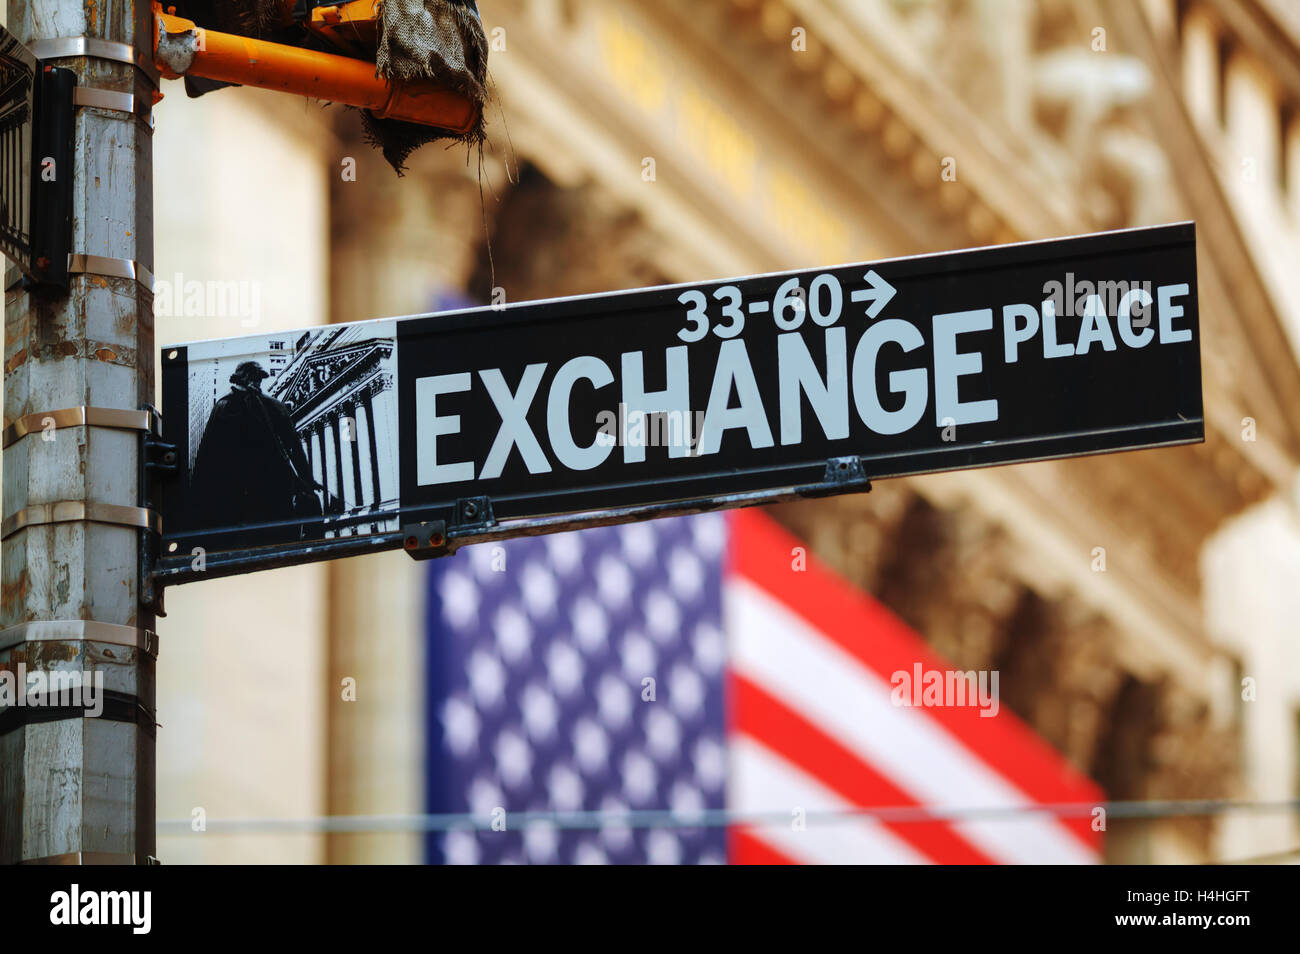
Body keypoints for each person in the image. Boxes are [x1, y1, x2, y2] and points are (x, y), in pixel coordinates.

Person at [189, 361, 322, 545]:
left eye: (259, 378)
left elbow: (207, 456)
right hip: (253, 492)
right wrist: (306, 479)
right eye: (255, 378)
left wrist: (307, 480)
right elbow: (209, 455)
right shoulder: (235, 406)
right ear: (243, 378)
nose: (257, 382)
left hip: (256, 493)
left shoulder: (232, 406)